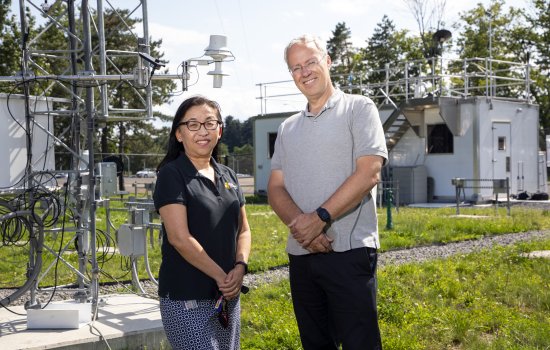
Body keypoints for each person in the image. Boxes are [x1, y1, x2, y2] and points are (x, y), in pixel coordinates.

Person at [267, 34, 387, 350]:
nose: (304, 72)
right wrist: (303, 227)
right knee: (315, 343)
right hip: (302, 255)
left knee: (360, 343)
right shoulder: (287, 128)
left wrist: (320, 218)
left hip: (348, 253)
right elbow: (275, 187)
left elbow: (369, 171)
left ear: (328, 60)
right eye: (295, 67)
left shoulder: (359, 108)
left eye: (311, 62)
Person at [153, 95, 251, 350]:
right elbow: (179, 238)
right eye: (193, 125)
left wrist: (240, 267)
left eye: (209, 123)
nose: (202, 131)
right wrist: (223, 277)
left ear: (219, 130)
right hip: (187, 297)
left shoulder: (227, 175)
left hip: (227, 294)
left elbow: (244, 230)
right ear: (179, 134)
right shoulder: (171, 175)